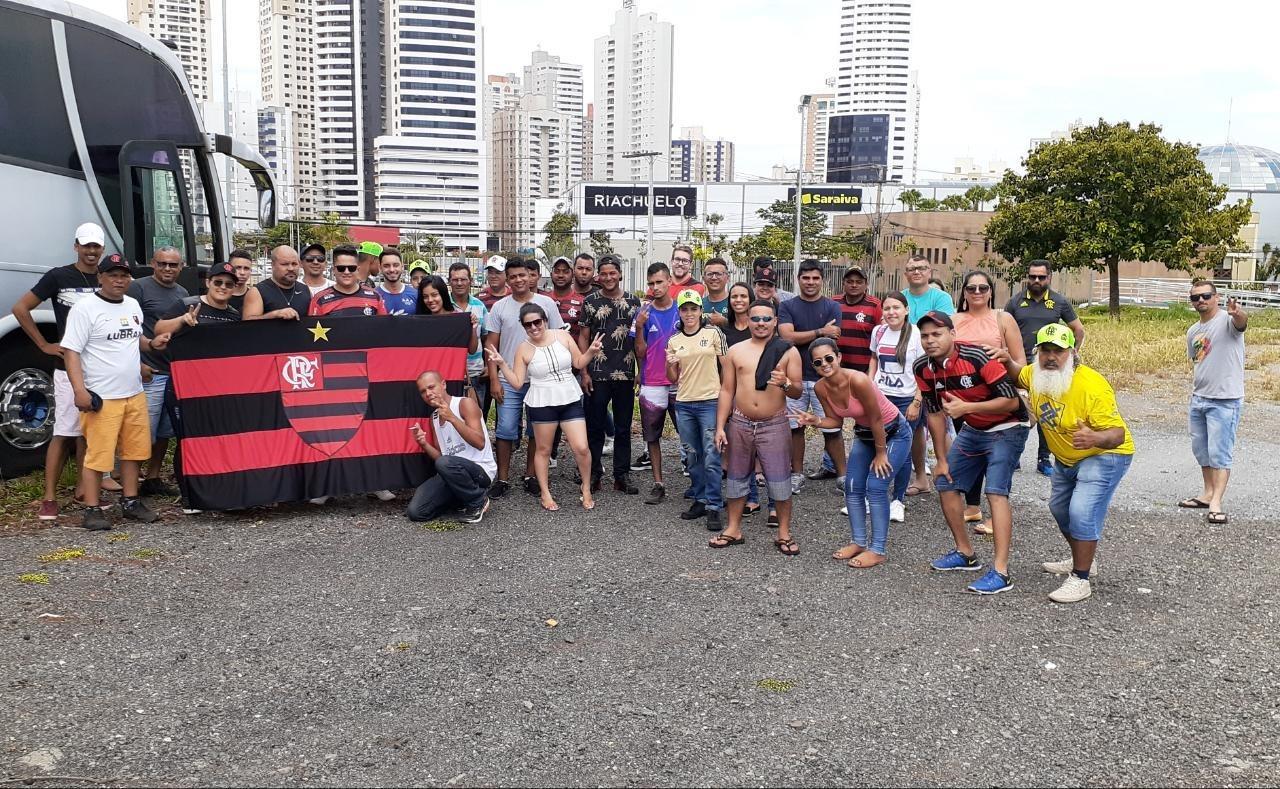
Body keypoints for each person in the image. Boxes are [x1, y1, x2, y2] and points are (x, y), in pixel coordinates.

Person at [987, 324, 1133, 603]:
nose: (1051, 357)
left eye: (1059, 351)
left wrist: (1093, 437)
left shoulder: (1092, 385)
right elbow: (1020, 375)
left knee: (1080, 511)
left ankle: (1081, 578)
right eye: (1045, 351)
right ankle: (1084, 559)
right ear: (1037, 352)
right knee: (1059, 508)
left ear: (1073, 353)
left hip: (1103, 454)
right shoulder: (1037, 374)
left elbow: (1118, 434)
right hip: (1067, 457)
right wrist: (1007, 362)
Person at [915, 311, 1030, 595]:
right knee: (945, 482)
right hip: (974, 430)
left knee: (995, 491)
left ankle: (1001, 572)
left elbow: (1011, 401)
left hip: (1009, 426)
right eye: (925, 335)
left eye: (936, 334)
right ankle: (965, 553)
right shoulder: (923, 368)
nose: (930, 341)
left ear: (952, 334)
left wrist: (967, 409)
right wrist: (940, 460)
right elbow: (934, 414)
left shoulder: (978, 357)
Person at [61, 253, 168, 530]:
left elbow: (135, 339)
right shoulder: (85, 308)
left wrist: (152, 344)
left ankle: (130, 502)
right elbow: (71, 351)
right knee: (98, 455)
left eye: (123, 275)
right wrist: (79, 390)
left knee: (134, 453)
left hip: (133, 392)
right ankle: (92, 508)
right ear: (100, 277)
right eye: (112, 275)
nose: (119, 280)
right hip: (102, 397)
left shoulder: (132, 304)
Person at [15, 223, 109, 520]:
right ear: (76, 246)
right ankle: (49, 497)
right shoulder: (58, 276)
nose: (91, 251)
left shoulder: (108, 277)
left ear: (102, 249)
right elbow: (21, 308)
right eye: (86, 246)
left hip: (100, 366)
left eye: (96, 246)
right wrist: (43, 344)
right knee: (64, 432)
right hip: (67, 367)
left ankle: (85, 489)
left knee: (89, 433)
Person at [796, 337, 912, 568]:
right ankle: (858, 541)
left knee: (876, 486)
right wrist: (815, 420)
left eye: (829, 358)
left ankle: (877, 549)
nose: (825, 365)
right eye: (818, 362)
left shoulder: (857, 380)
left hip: (894, 432)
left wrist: (881, 453)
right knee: (851, 485)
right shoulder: (821, 387)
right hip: (865, 434)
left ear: (839, 357)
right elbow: (835, 420)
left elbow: (876, 417)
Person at [486, 304, 602, 511]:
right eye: (528, 324)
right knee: (543, 449)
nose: (533, 327)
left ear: (545, 321)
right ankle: (545, 493)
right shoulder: (523, 348)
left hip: (569, 397)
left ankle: (586, 487)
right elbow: (518, 382)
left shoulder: (563, 336)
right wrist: (502, 364)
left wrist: (591, 351)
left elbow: (578, 361)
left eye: (537, 322)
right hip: (542, 401)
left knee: (581, 447)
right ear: (523, 327)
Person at [711, 299, 803, 554]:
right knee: (736, 478)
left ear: (775, 321)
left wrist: (785, 383)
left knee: (779, 481)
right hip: (740, 422)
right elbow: (727, 389)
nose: (761, 323)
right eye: (756, 319)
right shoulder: (735, 351)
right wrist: (720, 426)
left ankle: (783, 533)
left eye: (766, 319)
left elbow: (796, 391)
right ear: (748, 321)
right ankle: (733, 528)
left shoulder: (787, 351)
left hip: (773, 423)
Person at [154, 261, 242, 514]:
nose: (223, 287)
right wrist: (183, 321)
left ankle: (215, 489)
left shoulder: (234, 315)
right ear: (208, 282)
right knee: (187, 440)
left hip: (217, 389)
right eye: (218, 282)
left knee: (214, 440)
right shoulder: (187, 304)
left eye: (228, 284)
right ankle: (189, 495)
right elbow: (159, 329)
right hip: (183, 387)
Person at [953, 270, 1026, 534]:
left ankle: (996, 517)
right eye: (971, 288)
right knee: (970, 453)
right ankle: (972, 507)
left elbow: (1021, 364)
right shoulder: (954, 320)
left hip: (998, 394)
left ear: (991, 291)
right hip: (962, 396)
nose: (977, 293)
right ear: (963, 292)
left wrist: (1005, 357)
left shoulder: (1003, 318)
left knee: (996, 457)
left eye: (982, 288)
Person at [484, 257, 565, 497]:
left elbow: (558, 339)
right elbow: (491, 345)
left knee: (536, 430)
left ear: (531, 277)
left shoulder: (546, 304)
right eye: (513, 276)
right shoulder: (500, 308)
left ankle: (531, 475)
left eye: (523, 275)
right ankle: (503, 478)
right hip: (509, 380)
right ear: (507, 280)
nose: (519, 280)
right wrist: (494, 379)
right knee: (505, 430)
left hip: (540, 380)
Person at [1004, 260, 1086, 477]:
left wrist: (1072, 353)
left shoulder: (1059, 302)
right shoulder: (1015, 302)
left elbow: (1078, 329)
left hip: (1049, 368)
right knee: (1019, 412)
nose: (1036, 281)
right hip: (1021, 367)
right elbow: (1002, 329)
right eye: (1032, 277)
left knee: (1048, 412)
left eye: (1041, 277)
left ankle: (1044, 458)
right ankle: (1014, 456)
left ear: (1049, 277)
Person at [1181, 280, 1248, 525]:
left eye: (1206, 296)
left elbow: (1241, 323)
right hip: (1200, 397)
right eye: (1195, 298)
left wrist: (1238, 312)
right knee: (1202, 450)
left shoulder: (1228, 322)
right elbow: (1198, 360)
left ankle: (1217, 502)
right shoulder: (1193, 331)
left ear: (1216, 297)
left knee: (1220, 453)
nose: (1201, 301)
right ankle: (1207, 493)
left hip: (1225, 399)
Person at [779, 259, 846, 493]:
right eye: (805, 278)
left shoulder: (832, 307)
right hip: (795, 378)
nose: (810, 282)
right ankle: (796, 475)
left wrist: (805, 335)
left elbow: (830, 342)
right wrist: (820, 331)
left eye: (815, 278)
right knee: (795, 428)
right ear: (798, 279)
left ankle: (843, 476)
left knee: (832, 429)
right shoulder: (787, 307)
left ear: (822, 280)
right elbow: (787, 337)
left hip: (824, 379)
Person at [126, 246, 188, 497]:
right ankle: (129, 483)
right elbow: (129, 329)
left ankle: (152, 477)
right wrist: (137, 364)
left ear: (181, 267)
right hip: (148, 371)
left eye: (173, 265)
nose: (167, 269)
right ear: (153, 263)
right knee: (143, 432)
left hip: (172, 370)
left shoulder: (183, 293)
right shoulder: (138, 288)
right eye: (162, 264)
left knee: (165, 431)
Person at [665, 290, 728, 529]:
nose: (689, 313)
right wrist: (669, 364)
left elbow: (726, 366)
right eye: (685, 309)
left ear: (701, 310)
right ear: (679, 312)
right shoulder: (674, 340)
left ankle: (714, 504)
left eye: (694, 308)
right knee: (692, 455)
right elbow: (672, 377)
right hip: (685, 402)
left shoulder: (713, 333)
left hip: (710, 401)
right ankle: (700, 499)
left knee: (712, 455)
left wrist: (726, 397)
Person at [580, 255, 641, 495]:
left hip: (625, 373)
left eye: (612, 273)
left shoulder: (633, 302)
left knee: (623, 427)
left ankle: (621, 474)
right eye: (603, 274)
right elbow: (584, 336)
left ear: (620, 274)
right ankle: (594, 472)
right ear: (599, 276)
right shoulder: (591, 301)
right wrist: (583, 370)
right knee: (594, 426)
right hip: (597, 373)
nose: (608, 278)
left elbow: (638, 338)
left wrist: (640, 370)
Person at [866, 291, 927, 521]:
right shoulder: (878, 331)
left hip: (906, 399)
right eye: (887, 308)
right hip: (881, 397)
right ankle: (871, 496)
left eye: (896, 308)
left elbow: (923, 370)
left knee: (902, 452)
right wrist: (869, 385)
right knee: (874, 445)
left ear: (906, 310)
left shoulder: (916, 335)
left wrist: (916, 401)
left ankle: (897, 500)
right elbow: (874, 359)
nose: (891, 312)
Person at [406, 371, 496, 524]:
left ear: (444, 384)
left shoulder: (464, 404)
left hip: (480, 470)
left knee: (445, 463)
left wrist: (452, 418)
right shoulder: (434, 418)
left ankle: (477, 500)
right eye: (423, 391)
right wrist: (424, 444)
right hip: (454, 474)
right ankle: (462, 498)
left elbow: (480, 443)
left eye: (431, 387)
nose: (428, 393)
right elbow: (441, 458)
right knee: (416, 512)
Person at [633, 262, 683, 505]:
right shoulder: (643, 313)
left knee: (688, 434)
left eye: (659, 282)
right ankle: (658, 482)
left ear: (669, 282)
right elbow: (640, 352)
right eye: (651, 283)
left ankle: (696, 483)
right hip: (652, 382)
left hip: (681, 381)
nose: (655, 287)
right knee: (652, 436)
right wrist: (640, 327)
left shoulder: (683, 310)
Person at [448, 262, 490, 410]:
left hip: (475, 372)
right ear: (449, 281)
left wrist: (487, 365)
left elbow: (486, 338)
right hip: (450, 372)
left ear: (470, 281)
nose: (459, 283)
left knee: (478, 419)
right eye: (455, 279)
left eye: (463, 279)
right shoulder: (444, 305)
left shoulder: (479, 305)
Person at [309, 245, 388, 317]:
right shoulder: (319, 300)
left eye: (351, 268)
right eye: (341, 268)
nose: (346, 272)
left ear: (357, 269)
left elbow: (383, 328)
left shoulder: (375, 297)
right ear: (333, 270)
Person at [417, 275, 479, 361]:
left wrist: (473, 329)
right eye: (425, 296)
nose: (430, 300)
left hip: (453, 371)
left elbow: (472, 350)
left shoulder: (458, 318)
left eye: (434, 295)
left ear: (443, 294)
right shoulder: (419, 322)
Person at [835, 264, 882, 373]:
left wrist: (871, 372)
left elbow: (881, 338)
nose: (854, 285)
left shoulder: (876, 305)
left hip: (864, 372)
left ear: (866, 284)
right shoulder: (833, 303)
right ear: (843, 283)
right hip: (836, 370)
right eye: (850, 281)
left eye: (859, 282)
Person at [242, 245, 309, 320]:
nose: (291, 268)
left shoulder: (305, 290)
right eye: (285, 264)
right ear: (273, 265)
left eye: (294, 264)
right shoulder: (257, 292)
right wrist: (274, 315)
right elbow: (247, 324)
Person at [901, 254, 954, 322]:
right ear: (906, 274)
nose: (916, 272)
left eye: (922, 268)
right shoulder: (899, 298)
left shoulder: (942, 298)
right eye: (911, 269)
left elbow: (943, 326)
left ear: (929, 273)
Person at [548, 256, 588, 334]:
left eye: (565, 272)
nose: (561, 275)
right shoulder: (544, 300)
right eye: (557, 271)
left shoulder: (583, 302)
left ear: (573, 275)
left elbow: (585, 336)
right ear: (551, 274)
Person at [376, 248, 417, 315]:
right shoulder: (374, 296)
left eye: (396, 265)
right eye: (386, 266)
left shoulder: (415, 295)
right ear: (380, 268)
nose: (392, 269)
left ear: (402, 267)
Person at [701, 257, 731, 327]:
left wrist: (724, 321)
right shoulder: (699, 305)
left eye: (718, 274)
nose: (714, 277)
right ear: (703, 279)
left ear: (727, 278)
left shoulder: (735, 303)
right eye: (710, 274)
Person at [227, 248, 256, 313]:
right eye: (237, 267)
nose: (242, 272)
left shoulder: (255, 297)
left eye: (246, 268)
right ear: (229, 268)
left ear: (250, 271)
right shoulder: (219, 295)